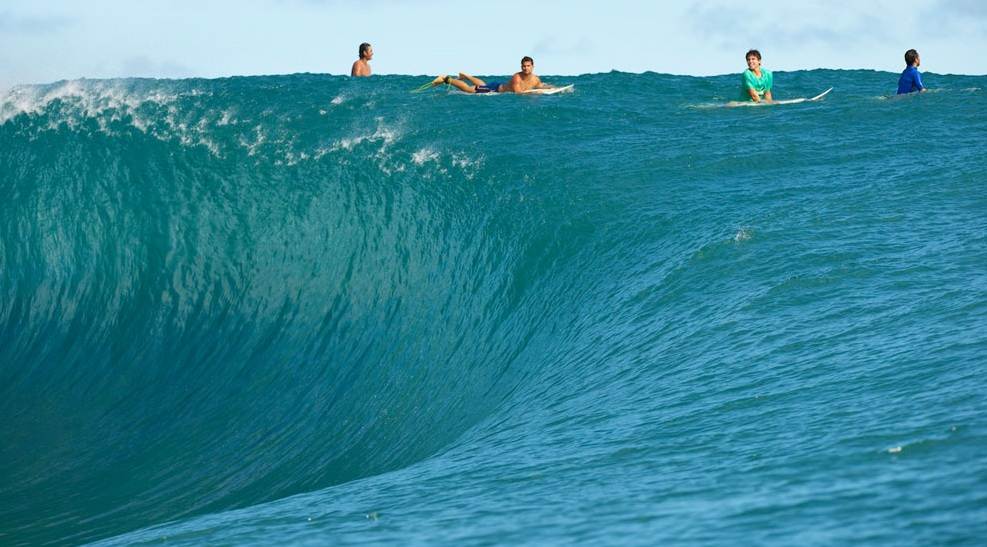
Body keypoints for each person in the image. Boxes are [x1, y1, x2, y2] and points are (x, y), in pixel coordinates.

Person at [426, 56, 554, 94]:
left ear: (533, 66)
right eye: (524, 66)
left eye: (528, 66)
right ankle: (446, 79)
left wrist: (550, 87)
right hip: (493, 89)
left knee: (482, 84)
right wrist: (536, 92)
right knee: (468, 89)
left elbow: (539, 84)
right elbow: (518, 93)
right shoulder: (517, 77)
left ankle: (466, 76)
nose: (526, 68)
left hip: (496, 86)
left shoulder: (536, 78)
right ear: (521, 67)